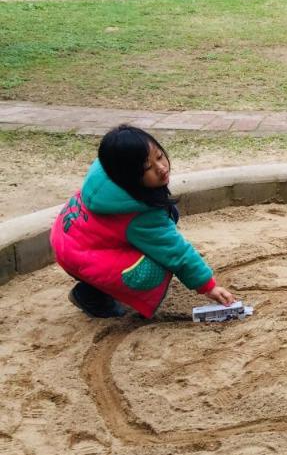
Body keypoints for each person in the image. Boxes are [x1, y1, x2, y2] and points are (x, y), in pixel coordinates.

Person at [50, 125, 236, 319]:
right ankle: (92, 295)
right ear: (128, 175)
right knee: (153, 269)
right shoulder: (139, 214)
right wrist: (208, 286)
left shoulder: (108, 169)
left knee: (169, 213)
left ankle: (98, 282)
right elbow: (175, 251)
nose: (161, 167)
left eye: (159, 156)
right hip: (79, 253)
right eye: (147, 167)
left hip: (68, 237)